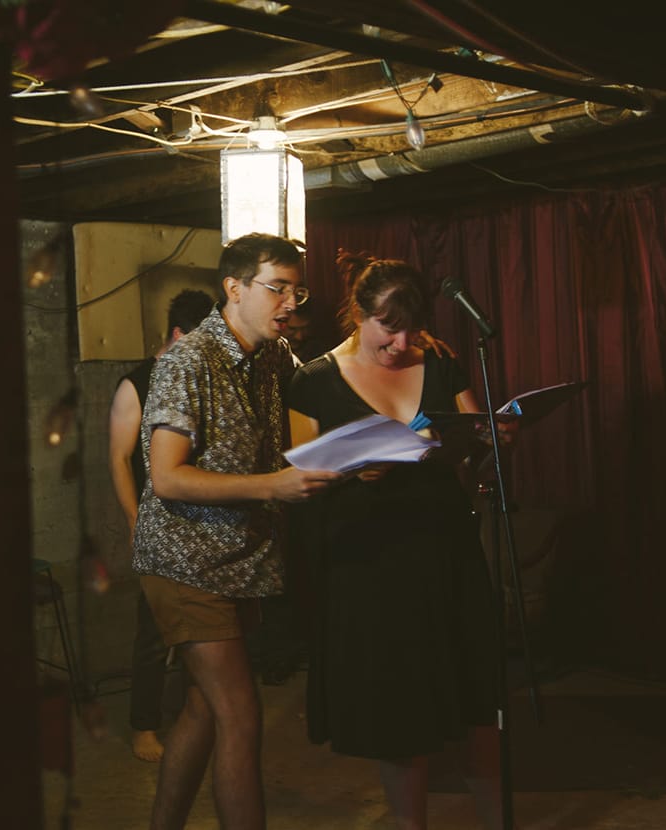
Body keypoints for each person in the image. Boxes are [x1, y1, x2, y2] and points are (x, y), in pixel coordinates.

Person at [133, 233, 340, 830]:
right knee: (241, 714)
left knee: (204, 708)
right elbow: (168, 478)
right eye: (277, 288)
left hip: (239, 559)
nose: (290, 304)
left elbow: (324, 394)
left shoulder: (274, 356)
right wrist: (271, 486)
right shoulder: (188, 361)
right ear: (234, 287)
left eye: (297, 291)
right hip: (185, 561)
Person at [286, 252, 499, 830]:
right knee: (400, 709)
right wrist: (352, 470)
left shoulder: (442, 363)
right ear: (358, 313)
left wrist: (490, 436)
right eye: (388, 326)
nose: (402, 341)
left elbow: (471, 438)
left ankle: (497, 820)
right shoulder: (312, 381)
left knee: (477, 696)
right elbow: (299, 479)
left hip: (445, 548)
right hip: (371, 561)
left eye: (411, 327)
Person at [108, 288, 215, 762]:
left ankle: (199, 717)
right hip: (157, 526)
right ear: (178, 334)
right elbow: (118, 456)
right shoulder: (137, 383)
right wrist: (135, 519)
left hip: (201, 524)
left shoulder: (200, 377)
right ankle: (143, 728)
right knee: (153, 635)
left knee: (204, 633)